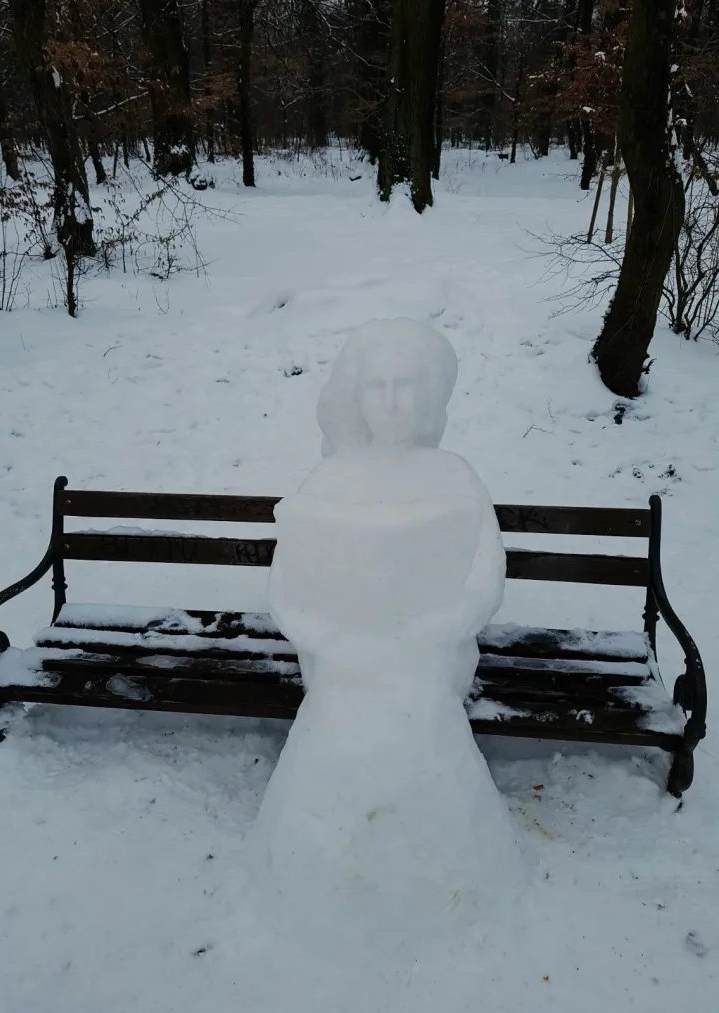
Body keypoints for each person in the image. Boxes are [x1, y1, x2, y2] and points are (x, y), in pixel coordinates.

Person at [249, 318, 524, 958]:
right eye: (378, 387)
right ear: (357, 395)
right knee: (342, 733)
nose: (393, 402)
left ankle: (443, 885)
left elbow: (485, 579)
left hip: (425, 664)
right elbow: (285, 585)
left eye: (406, 386)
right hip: (344, 665)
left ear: (430, 394)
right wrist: (320, 632)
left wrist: (438, 629)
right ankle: (313, 884)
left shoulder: (454, 475)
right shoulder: (330, 480)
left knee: (417, 727)